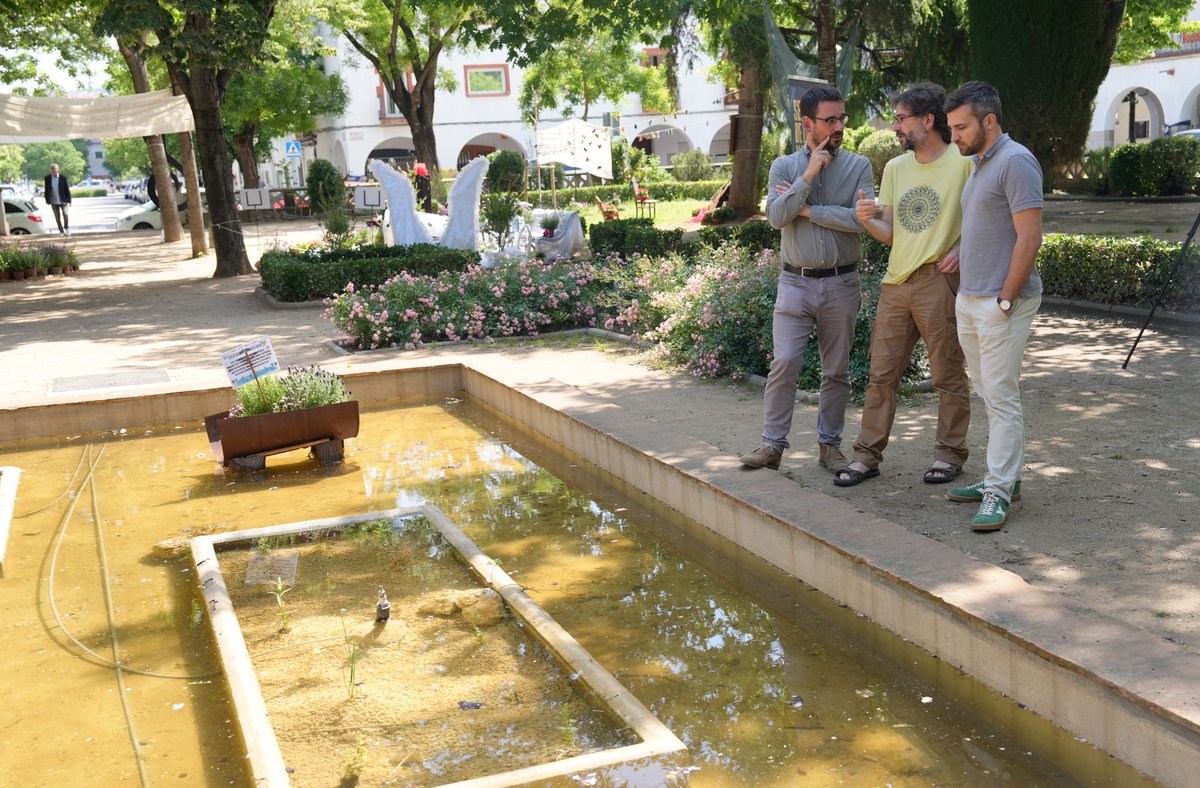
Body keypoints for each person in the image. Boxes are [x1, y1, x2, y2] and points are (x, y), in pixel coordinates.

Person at [835, 83, 972, 488]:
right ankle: (866, 457)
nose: (895, 126)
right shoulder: (896, 168)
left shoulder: (964, 165)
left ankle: (949, 455)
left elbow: (988, 217)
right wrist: (864, 219)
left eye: (900, 119)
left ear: (928, 121)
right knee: (881, 376)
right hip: (896, 284)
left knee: (948, 374)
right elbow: (891, 233)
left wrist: (964, 247)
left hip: (937, 281)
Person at [740, 85, 874, 476]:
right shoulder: (784, 166)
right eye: (829, 120)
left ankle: (829, 447)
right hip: (794, 283)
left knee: (836, 370)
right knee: (784, 363)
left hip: (841, 283)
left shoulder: (859, 166)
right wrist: (810, 174)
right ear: (808, 124)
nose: (838, 127)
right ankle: (772, 446)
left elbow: (861, 221)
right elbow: (776, 217)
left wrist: (808, 209)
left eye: (841, 119)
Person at [943, 81, 1044, 531]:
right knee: (988, 393)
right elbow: (988, 224)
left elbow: (1030, 236)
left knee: (1001, 397)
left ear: (989, 120)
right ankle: (1003, 477)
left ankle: (998, 491)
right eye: (951, 128)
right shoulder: (980, 164)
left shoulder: (1016, 161)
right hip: (972, 298)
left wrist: (1005, 298)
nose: (954, 137)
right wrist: (963, 252)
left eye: (961, 127)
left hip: (1003, 302)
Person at [43, 163, 72, 236]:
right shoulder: (48, 178)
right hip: (53, 201)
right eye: (52, 168)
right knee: (57, 217)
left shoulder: (63, 178)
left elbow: (67, 189)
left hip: (63, 200)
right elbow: (46, 189)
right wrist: (47, 200)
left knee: (65, 214)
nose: (53, 170)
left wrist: (69, 200)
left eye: (55, 168)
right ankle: (61, 230)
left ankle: (66, 227)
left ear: (58, 169)